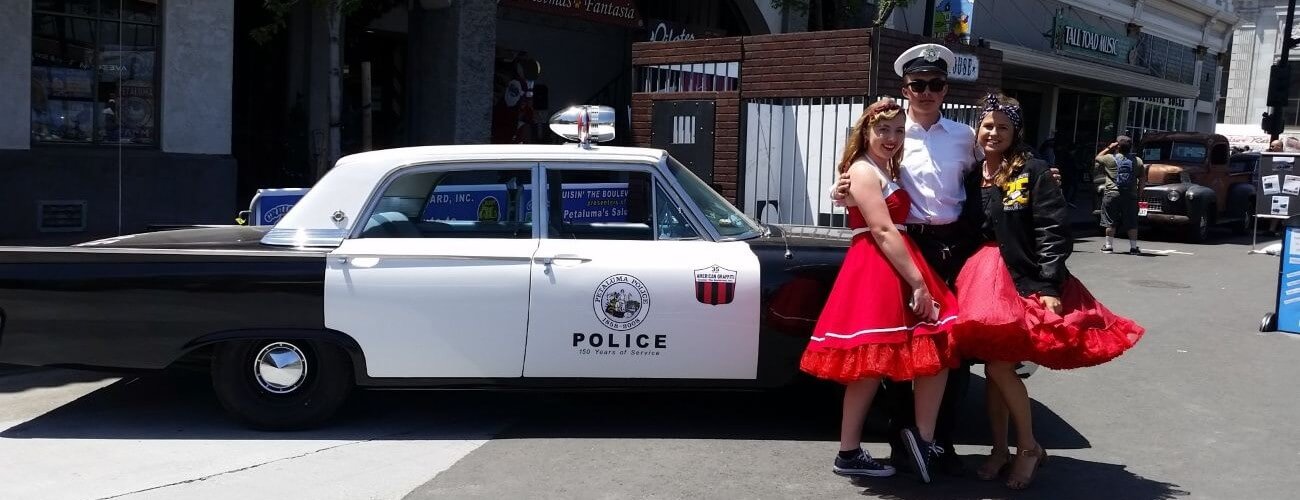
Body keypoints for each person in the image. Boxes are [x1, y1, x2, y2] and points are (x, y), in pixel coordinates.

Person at [955, 92, 1145, 490]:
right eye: (987, 126)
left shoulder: (1034, 170)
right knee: (993, 369)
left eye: (1002, 127)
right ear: (978, 129)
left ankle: (1027, 448)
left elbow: (1053, 230)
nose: (993, 133)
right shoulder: (972, 174)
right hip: (981, 281)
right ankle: (999, 449)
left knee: (1000, 368)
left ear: (1015, 132)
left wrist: (1047, 284)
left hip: (1022, 280)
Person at [832, 43, 981, 478]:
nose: (927, 92)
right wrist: (839, 191)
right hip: (905, 248)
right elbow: (862, 191)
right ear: (906, 88)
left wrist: (1039, 172)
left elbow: (988, 176)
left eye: (935, 84)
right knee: (896, 353)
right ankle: (903, 441)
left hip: (953, 245)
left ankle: (934, 443)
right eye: (918, 84)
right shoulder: (891, 135)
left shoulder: (963, 136)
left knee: (951, 353)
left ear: (945, 88)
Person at [801, 98, 959, 484]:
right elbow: (883, 230)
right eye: (883, 129)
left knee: (884, 362)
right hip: (881, 265)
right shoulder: (864, 170)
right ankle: (902, 442)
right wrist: (920, 283)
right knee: (899, 354)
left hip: (892, 262)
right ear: (865, 132)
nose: (891, 137)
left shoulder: (882, 168)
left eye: (898, 130)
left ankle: (875, 446)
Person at [1094, 137, 1146, 254]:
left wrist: (1109, 147)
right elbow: (1142, 180)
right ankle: (1133, 248)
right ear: (1131, 147)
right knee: (1131, 221)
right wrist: (1139, 194)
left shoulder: (1109, 158)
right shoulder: (1137, 160)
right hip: (1130, 195)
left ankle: (1108, 246)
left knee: (1110, 220)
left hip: (1112, 193)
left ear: (1117, 146)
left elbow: (1097, 158)